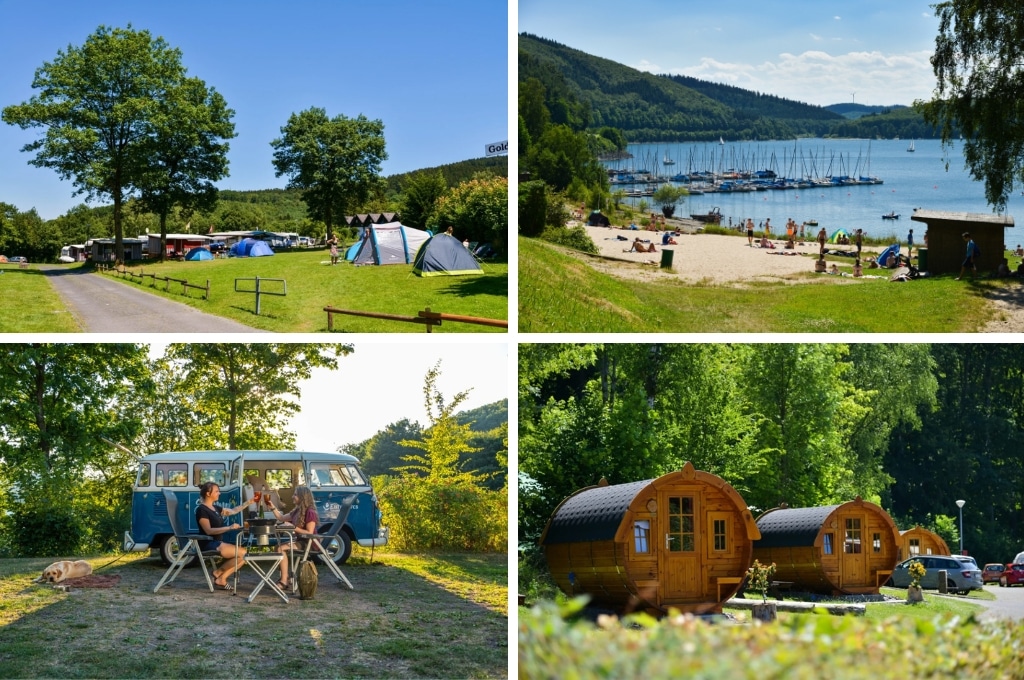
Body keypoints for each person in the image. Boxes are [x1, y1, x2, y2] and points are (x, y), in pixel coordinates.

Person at [195, 482, 249, 589]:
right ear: (208, 494)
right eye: (216, 491)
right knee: (243, 554)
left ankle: (221, 578)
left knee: (244, 556)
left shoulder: (215, 508)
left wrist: (248, 502)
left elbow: (233, 511)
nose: (219, 493)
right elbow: (209, 531)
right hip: (208, 543)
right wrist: (229, 527)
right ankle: (218, 573)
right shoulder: (201, 510)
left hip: (218, 542)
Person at [264, 486, 319, 590]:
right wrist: (272, 507)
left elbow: (309, 533)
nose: (292, 496)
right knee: (277, 547)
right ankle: (286, 578)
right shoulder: (297, 511)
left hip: (309, 543)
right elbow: (281, 518)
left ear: (302, 497)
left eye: (295, 495)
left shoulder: (310, 512)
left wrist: (294, 528)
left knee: (280, 549)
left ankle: (284, 581)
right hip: (301, 541)